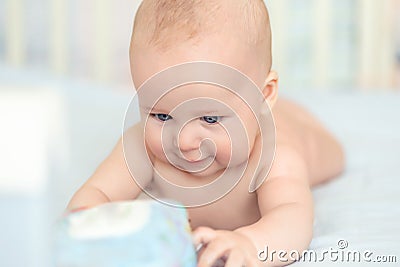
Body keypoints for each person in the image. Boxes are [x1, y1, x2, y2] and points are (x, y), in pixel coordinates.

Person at [67, 0, 345, 266]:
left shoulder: (273, 157)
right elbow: (96, 194)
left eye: (210, 118)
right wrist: (89, 225)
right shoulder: (142, 147)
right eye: (162, 115)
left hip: (292, 129)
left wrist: (250, 243)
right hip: (249, 110)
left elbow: (293, 218)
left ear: (264, 94)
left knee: (325, 152)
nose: (184, 141)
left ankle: (281, 111)